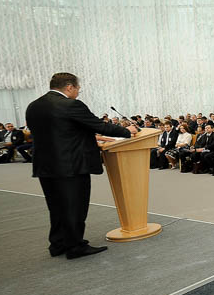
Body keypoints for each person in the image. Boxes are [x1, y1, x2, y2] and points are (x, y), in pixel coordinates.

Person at [25, 72, 137, 259]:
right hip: (71, 164)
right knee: (74, 206)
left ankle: (58, 244)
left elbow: (60, 132)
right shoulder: (70, 104)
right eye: (78, 89)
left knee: (56, 207)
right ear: (69, 87)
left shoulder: (34, 106)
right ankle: (75, 246)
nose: (78, 92)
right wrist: (127, 130)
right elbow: (99, 126)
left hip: (45, 165)